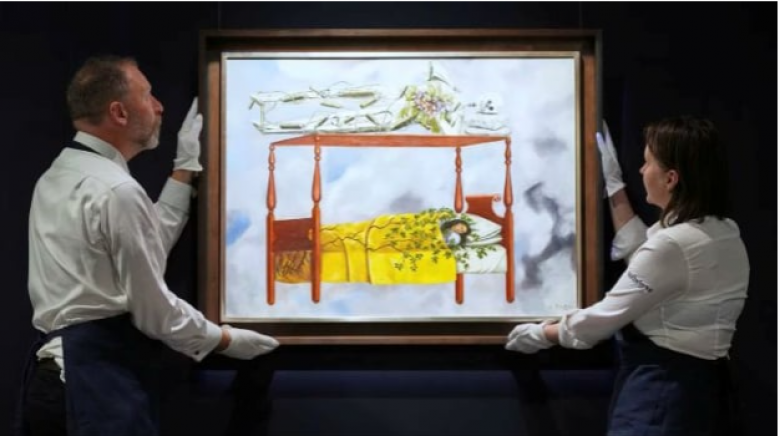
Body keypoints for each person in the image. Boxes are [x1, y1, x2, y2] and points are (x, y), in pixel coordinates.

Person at [17, 55, 280, 436]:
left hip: (58, 383)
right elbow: (155, 312)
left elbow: (144, 243)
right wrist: (225, 339)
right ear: (119, 112)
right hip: (93, 391)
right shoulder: (117, 189)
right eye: (148, 95)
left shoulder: (58, 175)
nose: (159, 107)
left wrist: (184, 169)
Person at [505, 116, 749, 436]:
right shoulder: (723, 231)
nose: (642, 171)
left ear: (670, 179)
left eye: (648, 162)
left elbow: (604, 318)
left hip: (661, 390)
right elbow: (646, 255)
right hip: (706, 389)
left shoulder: (673, 245)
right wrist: (615, 186)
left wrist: (541, 334)